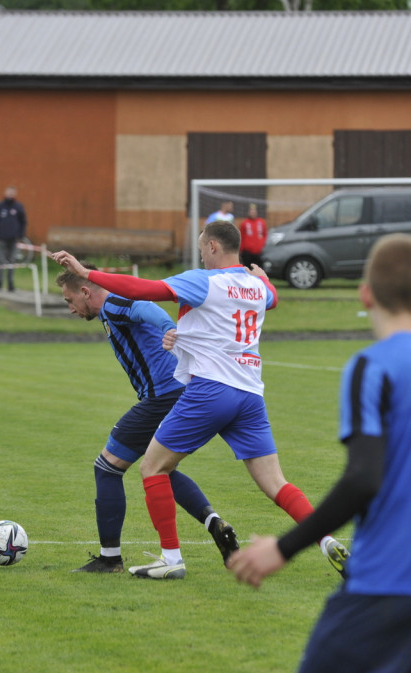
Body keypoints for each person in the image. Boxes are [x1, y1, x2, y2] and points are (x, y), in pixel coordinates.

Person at [227, 233, 411, 673]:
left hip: (387, 579)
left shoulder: (373, 366)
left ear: (366, 295)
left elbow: (365, 477)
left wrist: (283, 549)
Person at [51, 221, 349, 580]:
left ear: (211, 248)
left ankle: (171, 558)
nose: (201, 257)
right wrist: (264, 278)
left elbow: (142, 289)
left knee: (152, 467)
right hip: (251, 395)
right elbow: (273, 298)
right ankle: (326, 539)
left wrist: (87, 272)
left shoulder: (205, 281)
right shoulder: (256, 286)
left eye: (201, 249)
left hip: (210, 391)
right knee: (276, 483)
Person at [56, 266, 239, 573]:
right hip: (181, 393)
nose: (70, 308)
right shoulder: (108, 310)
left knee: (107, 468)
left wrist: (170, 327)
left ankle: (110, 558)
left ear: (86, 292)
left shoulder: (113, 303)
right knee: (162, 469)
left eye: (69, 300)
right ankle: (215, 523)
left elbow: (144, 308)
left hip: (163, 398)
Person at [0, 185, 27, 292]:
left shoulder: (18, 207)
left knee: (12, 261)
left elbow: (23, 222)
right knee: (1, 261)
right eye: (9, 192)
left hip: (13, 239)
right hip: (1, 238)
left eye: (12, 192)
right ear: (5, 193)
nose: (10, 194)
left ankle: (10, 284)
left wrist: (20, 235)